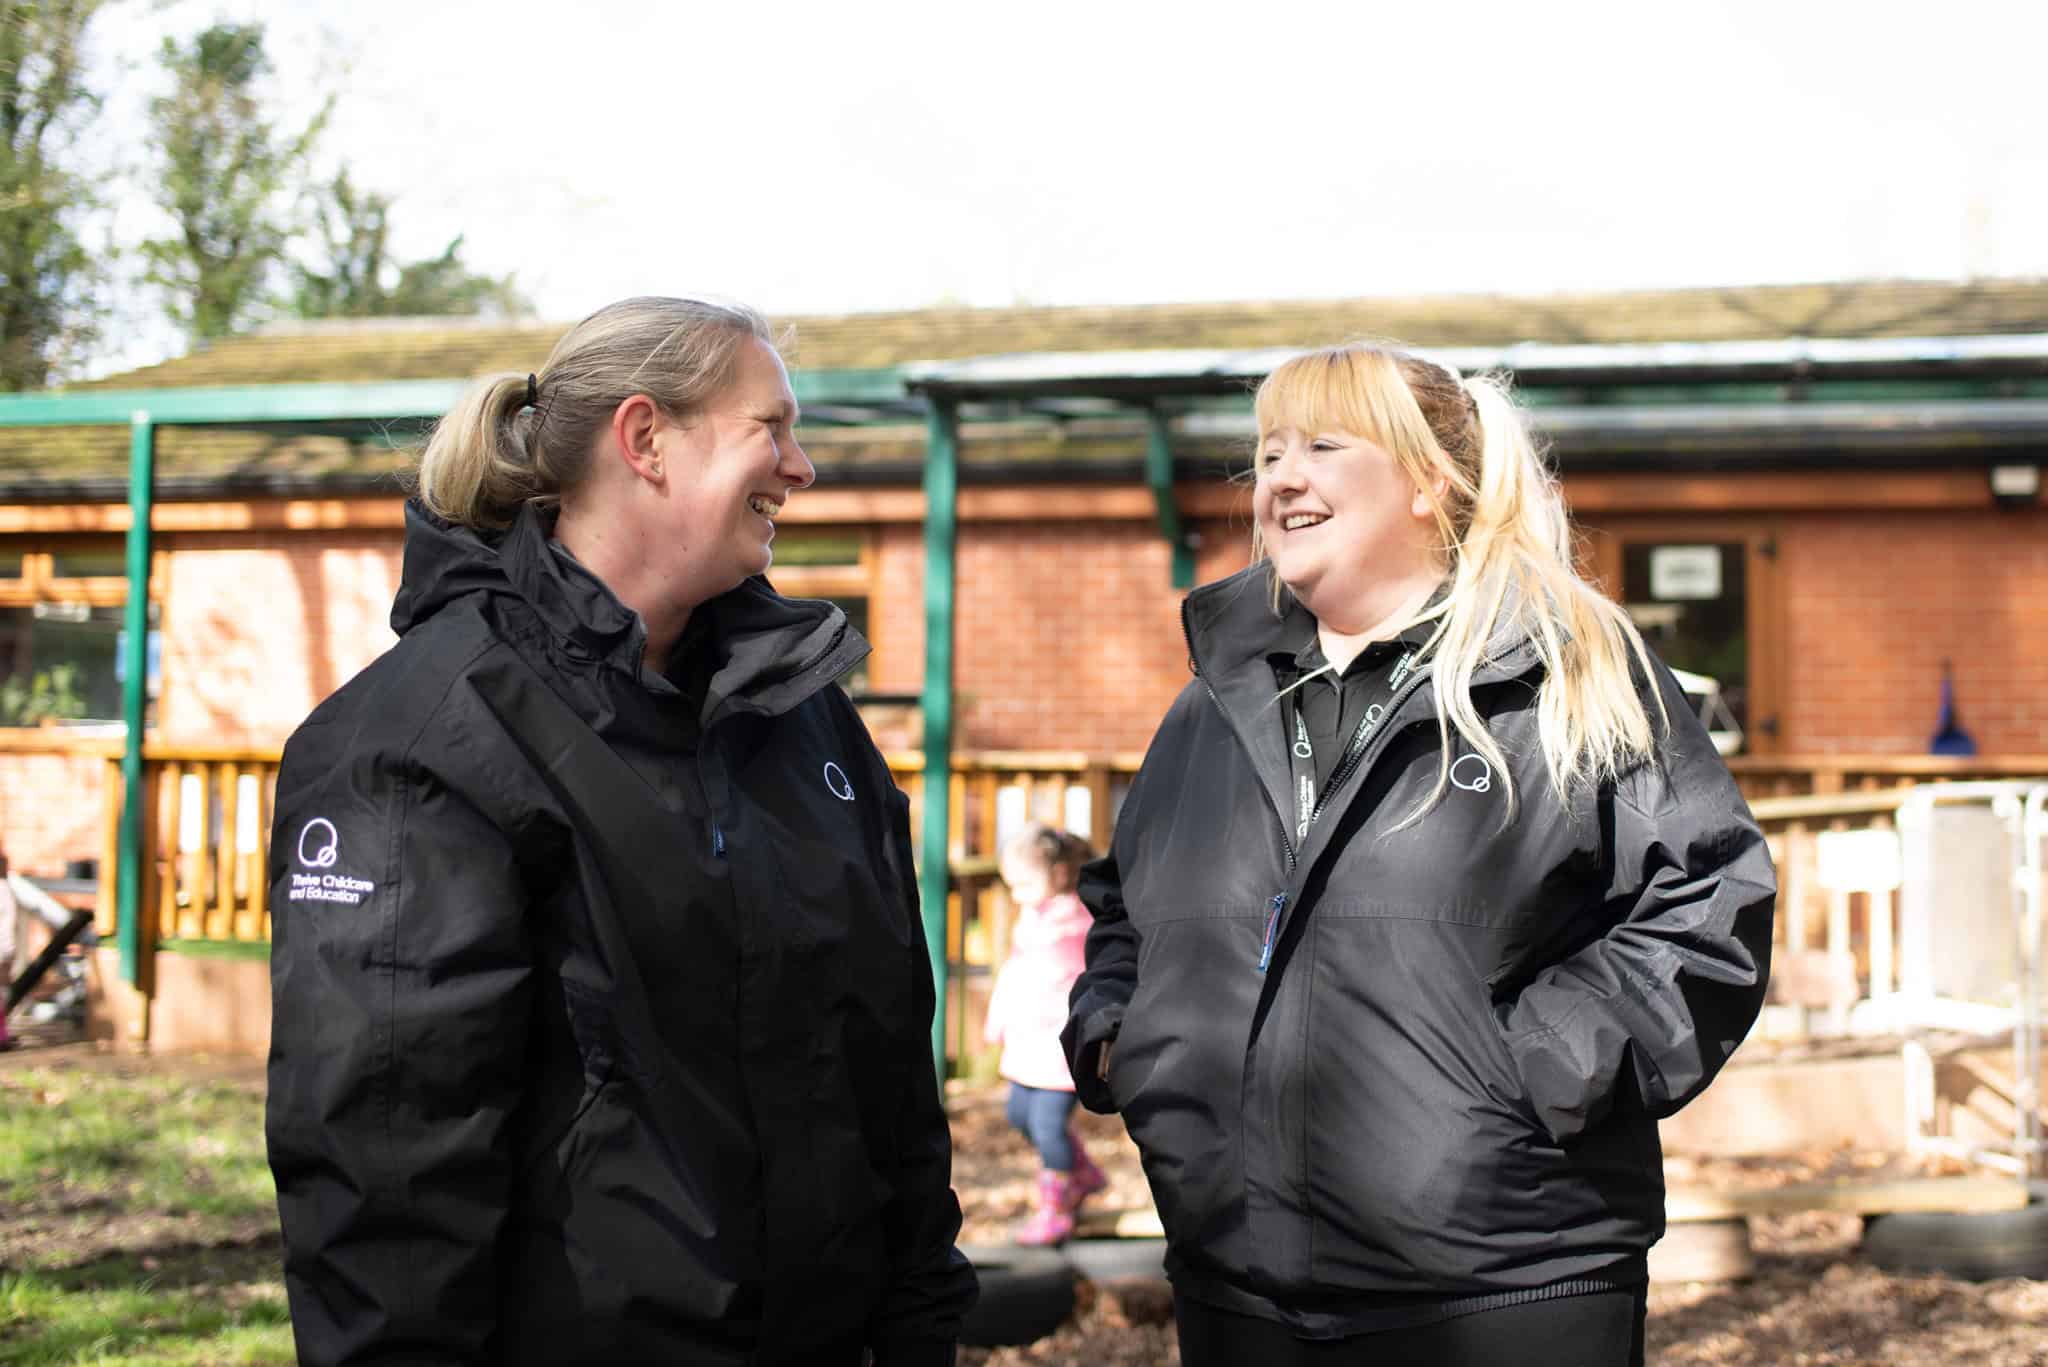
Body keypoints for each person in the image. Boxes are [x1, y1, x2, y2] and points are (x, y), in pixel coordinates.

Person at [265, 297, 976, 1366]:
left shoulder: (801, 714)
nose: (801, 467)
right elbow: (390, 1164)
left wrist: (921, 1319)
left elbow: (885, 1064)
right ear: (643, 439)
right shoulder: (423, 741)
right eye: (770, 428)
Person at [1062, 343, 1775, 1366]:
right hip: (1236, 1281)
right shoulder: (1215, 698)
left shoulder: (1564, 669)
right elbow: (1126, 902)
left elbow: (1707, 900)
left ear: (1425, 482)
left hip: (1505, 1281)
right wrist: (1125, 1040)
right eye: (1265, 453)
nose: (1279, 476)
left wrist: (1531, 1068)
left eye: (1320, 444)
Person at [981, 823, 1107, 1245]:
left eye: (1023, 883)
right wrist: (998, 1018)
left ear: (1056, 875)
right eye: (1011, 885)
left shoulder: (1077, 921)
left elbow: (1088, 976)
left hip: (1056, 1046)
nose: (1015, 894)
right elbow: (1015, 973)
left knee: (1048, 1126)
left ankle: (1056, 1210)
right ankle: (1083, 1172)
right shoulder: (1031, 919)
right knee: (1019, 1113)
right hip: (1026, 1044)